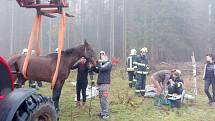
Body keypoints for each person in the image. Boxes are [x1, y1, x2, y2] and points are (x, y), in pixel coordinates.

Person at [92, 51, 112, 119]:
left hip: (105, 84)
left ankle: (105, 114)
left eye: (103, 54)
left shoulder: (108, 64)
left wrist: (98, 63)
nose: (101, 56)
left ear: (106, 56)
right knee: (101, 98)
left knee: (104, 99)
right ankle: (102, 112)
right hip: (100, 83)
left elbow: (102, 68)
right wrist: (93, 67)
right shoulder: (101, 64)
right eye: (100, 55)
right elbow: (97, 70)